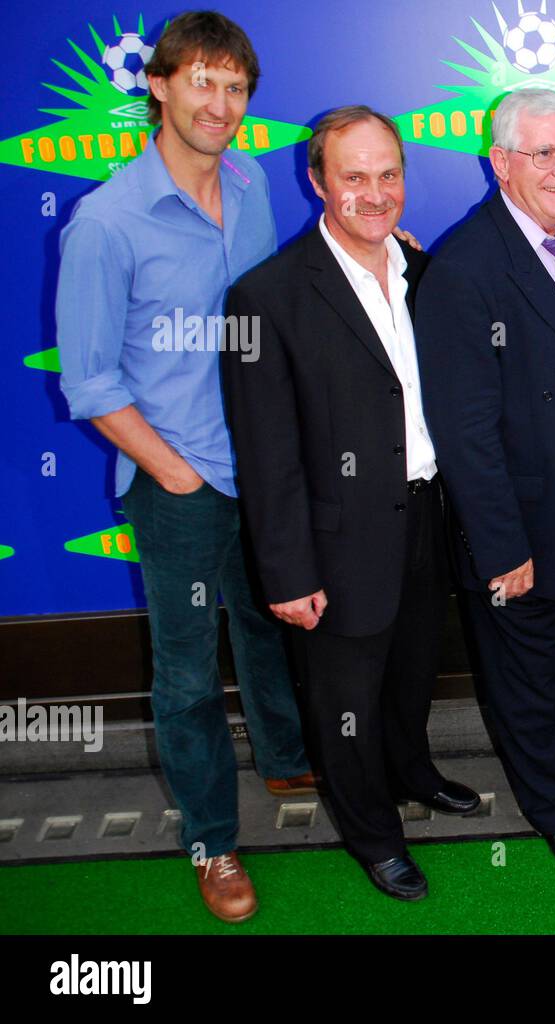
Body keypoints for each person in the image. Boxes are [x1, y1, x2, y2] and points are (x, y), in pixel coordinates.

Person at [54, 10, 315, 924]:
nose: (221, 102)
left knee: (271, 622)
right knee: (189, 677)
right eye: (202, 81)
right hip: (180, 488)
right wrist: (173, 473)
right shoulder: (106, 222)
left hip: (266, 469)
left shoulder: (250, 186)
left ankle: (286, 754)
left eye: (235, 86)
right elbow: (89, 383)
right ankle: (213, 842)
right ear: (159, 86)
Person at [221, 106, 480, 902]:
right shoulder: (261, 298)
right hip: (333, 542)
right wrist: (288, 572)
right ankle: (373, 834)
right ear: (318, 182)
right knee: (344, 703)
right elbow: (265, 457)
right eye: (355, 176)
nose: (376, 193)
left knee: (409, 673)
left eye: (389, 174)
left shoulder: (421, 272)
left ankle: (414, 772)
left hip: (425, 515)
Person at [417, 89, 555, 876]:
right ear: (501, 162)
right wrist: (501, 545)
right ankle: (553, 810)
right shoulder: (466, 268)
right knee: (527, 678)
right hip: (521, 526)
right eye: (544, 154)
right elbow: (466, 432)